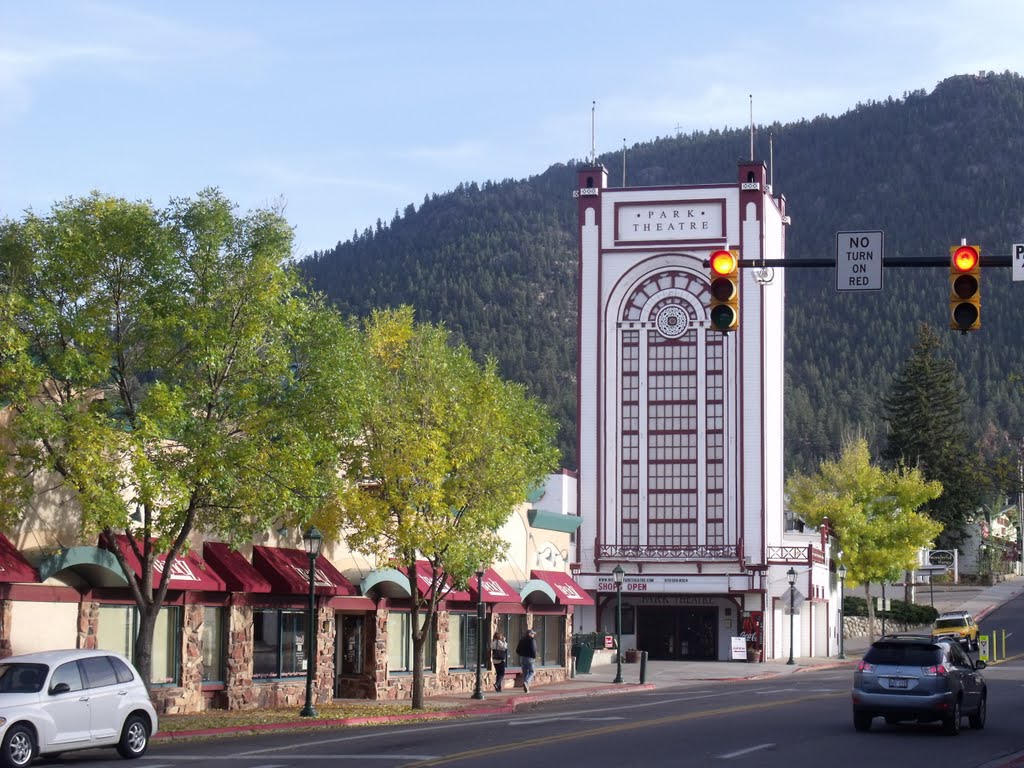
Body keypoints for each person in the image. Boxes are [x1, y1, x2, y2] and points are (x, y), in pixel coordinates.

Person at [516, 628, 537, 693]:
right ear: (530, 634)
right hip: (530, 658)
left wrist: (521, 654)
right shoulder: (532, 640)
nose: (533, 635)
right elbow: (534, 649)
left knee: (525, 672)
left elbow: (517, 650)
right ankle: (526, 682)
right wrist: (534, 656)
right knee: (531, 672)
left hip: (523, 658)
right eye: (533, 634)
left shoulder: (522, 640)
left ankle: (526, 688)